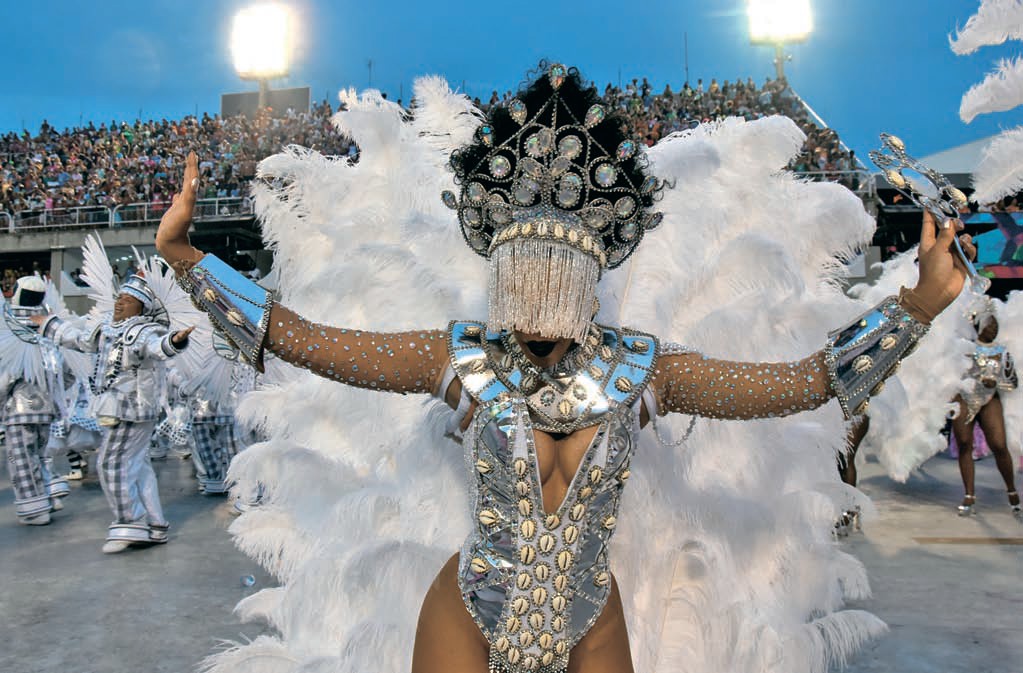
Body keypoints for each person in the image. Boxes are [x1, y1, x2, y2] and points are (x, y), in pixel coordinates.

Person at [157, 65, 974, 673]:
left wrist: (914, 308)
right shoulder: (458, 358)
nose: (536, 295)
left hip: (589, 618)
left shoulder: (641, 370)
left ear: (583, 275)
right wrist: (188, 260)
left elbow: (799, 384)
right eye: (524, 273)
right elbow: (306, 339)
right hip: (466, 612)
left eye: (553, 275)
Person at [35, 273, 193, 552]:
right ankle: (155, 524)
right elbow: (80, 340)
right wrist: (50, 324)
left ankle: (131, 523)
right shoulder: (107, 327)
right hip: (114, 409)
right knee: (137, 467)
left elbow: (157, 348)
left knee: (111, 464)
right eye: (120, 298)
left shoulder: (144, 331)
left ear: (141, 308)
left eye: (128, 300)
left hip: (133, 411)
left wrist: (175, 341)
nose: (120, 303)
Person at [0, 276, 70, 525]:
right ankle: (49, 496)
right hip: (47, 407)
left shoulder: (8, 327)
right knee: (41, 456)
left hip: (18, 409)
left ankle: (35, 509)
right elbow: (67, 373)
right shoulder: (48, 327)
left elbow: (7, 375)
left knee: (21, 459)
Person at [950, 302, 1021, 519]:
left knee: (999, 445)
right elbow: (953, 374)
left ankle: (1012, 491)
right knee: (964, 444)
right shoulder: (965, 348)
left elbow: (1013, 382)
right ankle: (969, 495)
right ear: (980, 326)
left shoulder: (1002, 352)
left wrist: (996, 383)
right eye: (990, 325)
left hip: (990, 399)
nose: (993, 329)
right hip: (965, 398)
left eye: (996, 325)